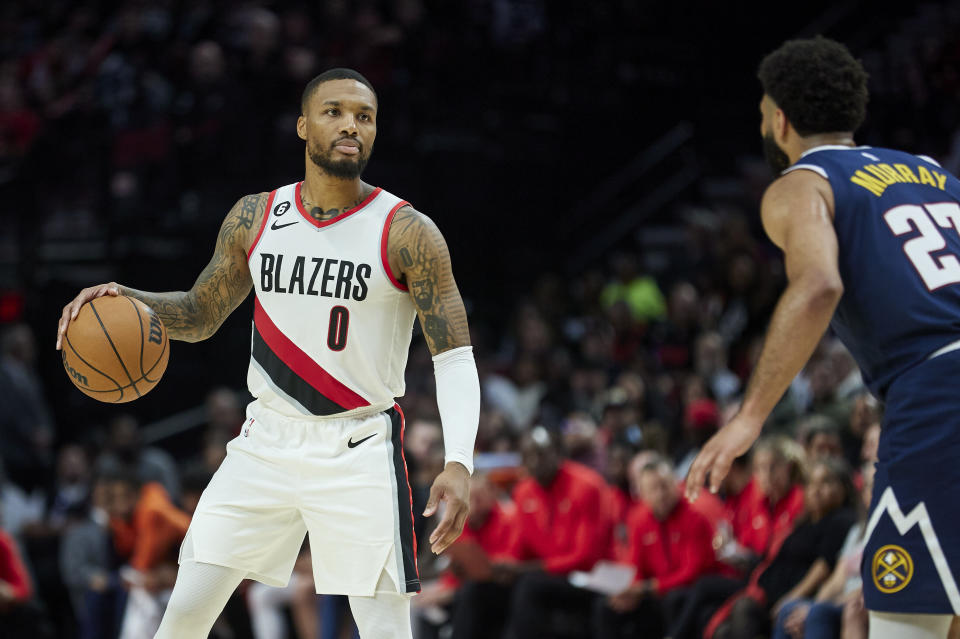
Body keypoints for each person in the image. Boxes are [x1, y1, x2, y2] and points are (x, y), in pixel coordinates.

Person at [55, 67, 481, 639]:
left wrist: (459, 460)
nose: (350, 124)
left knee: (385, 629)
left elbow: (454, 353)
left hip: (356, 448)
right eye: (334, 112)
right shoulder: (255, 217)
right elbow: (200, 314)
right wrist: (121, 300)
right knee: (184, 613)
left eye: (364, 116)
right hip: (265, 443)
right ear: (303, 126)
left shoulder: (407, 232)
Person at [686, 36, 960, 639]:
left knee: (903, 611)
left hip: (937, 391)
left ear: (779, 120)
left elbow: (818, 287)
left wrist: (749, 418)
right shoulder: (934, 172)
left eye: (762, 114)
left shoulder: (801, 183)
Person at [593, 456, 718, 639]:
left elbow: (691, 573)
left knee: (674, 599)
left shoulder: (695, 519)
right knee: (606, 606)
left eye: (665, 486)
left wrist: (647, 588)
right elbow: (635, 565)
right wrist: (631, 592)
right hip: (652, 591)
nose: (661, 494)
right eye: (653, 489)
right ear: (642, 494)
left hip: (684, 591)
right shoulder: (638, 520)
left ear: (676, 485)